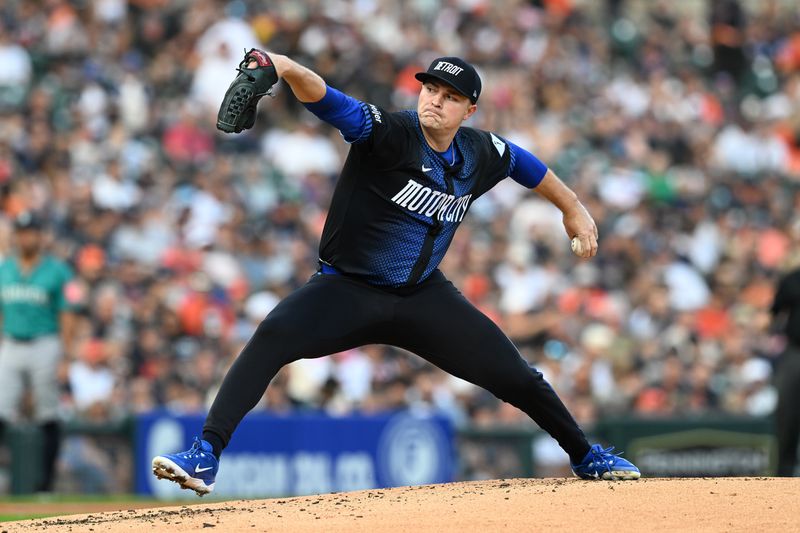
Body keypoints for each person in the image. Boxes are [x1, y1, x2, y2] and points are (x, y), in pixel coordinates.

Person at [152, 53, 640, 495]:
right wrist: (282, 66)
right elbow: (326, 99)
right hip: (347, 288)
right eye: (431, 90)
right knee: (272, 335)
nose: (436, 101)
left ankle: (585, 456)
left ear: (469, 110)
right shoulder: (389, 133)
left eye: (450, 97)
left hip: (422, 297)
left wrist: (572, 207)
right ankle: (205, 453)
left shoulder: (478, 152)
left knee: (518, 377)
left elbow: (523, 163)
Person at [0, 212, 77, 492]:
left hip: (45, 343)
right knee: (1, 408)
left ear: (40, 236)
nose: (25, 237)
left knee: (48, 414)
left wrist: (67, 356)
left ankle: (45, 485)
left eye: (30, 232)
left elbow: (68, 315)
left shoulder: (58, 271)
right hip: (10, 342)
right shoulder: (4, 268)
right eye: (21, 232)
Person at [771, 265, 800, 476]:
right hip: (796, 351)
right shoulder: (793, 279)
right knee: (787, 415)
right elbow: (775, 312)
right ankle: (783, 476)